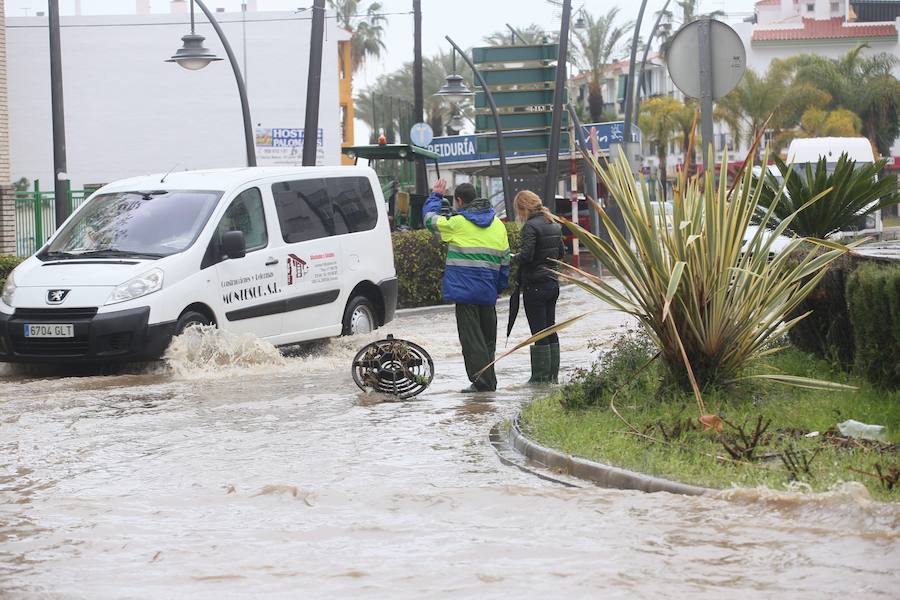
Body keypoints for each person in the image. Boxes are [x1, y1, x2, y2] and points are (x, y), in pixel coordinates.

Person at [423, 179, 511, 393]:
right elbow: (505, 261)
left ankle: (483, 383)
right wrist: (499, 288)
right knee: (487, 340)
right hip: (488, 292)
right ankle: (490, 380)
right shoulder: (498, 224)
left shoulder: (458, 223)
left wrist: (435, 196)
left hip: (465, 293)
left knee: (472, 341)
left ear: (459, 201)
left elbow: (429, 220)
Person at [514, 190, 565, 384]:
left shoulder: (530, 226)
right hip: (552, 283)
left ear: (523, 208)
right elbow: (560, 253)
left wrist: (512, 258)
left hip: (535, 285)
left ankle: (540, 378)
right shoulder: (553, 223)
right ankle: (552, 377)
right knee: (550, 328)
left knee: (539, 332)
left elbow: (526, 256)